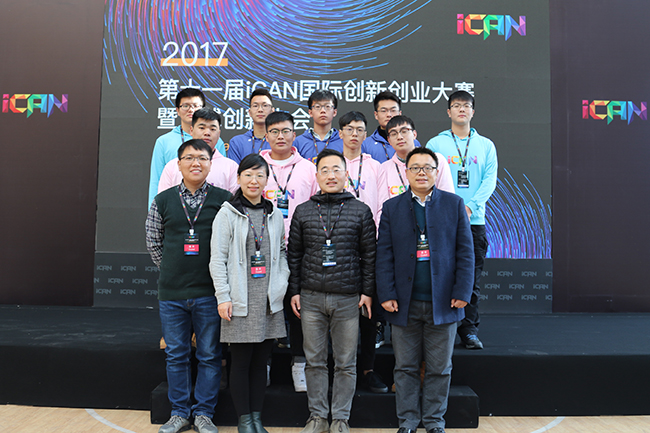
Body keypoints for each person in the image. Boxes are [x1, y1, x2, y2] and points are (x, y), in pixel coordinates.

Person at [376, 147, 474, 433]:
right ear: (406, 173)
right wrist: (387, 294)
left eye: (427, 168)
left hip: (444, 302)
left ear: (436, 172)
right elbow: (384, 255)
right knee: (404, 367)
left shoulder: (454, 204)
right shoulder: (392, 207)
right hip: (403, 303)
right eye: (415, 168)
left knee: (439, 368)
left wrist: (463, 292)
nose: (421, 172)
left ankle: (434, 422)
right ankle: (407, 421)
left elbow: (466, 253)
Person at [146, 139, 232, 433]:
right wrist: (172, 268)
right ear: (178, 164)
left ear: (210, 164)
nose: (196, 163)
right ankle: (179, 413)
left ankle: (204, 413)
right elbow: (153, 241)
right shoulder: (163, 200)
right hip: (172, 293)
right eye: (190, 158)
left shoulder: (224, 200)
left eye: (202, 158)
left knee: (209, 355)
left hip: (209, 293)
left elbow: (231, 243)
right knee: (176, 355)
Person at [288, 149, 376, 433]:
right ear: (316, 176)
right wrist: (294, 290)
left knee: (345, 362)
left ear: (346, 175)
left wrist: (367, 291)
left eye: (336, 169)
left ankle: (340, 418)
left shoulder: (360, 210)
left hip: (348, 297)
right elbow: (294, 255)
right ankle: (317, 417)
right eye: (324, 170)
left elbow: (369, 255)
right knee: (314, 362)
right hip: (311, 297)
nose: (330, 175)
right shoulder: (303, 210)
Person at [210, 154, 290, 433]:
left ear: (267, 180)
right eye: (248, 175)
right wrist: (223, 296)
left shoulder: (274, 214)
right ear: (239, 178)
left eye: (260, 175)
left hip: (268, 301)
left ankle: (257, 418)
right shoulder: (227, 213)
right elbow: (217, 259)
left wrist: (281, 282)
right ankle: (244, 420)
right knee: (241, 363)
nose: (254, 181)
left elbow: (282, 252)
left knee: (260, 364)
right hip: (240, 300)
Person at [426, 91, 498, 350]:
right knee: (440, 276)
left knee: (471, 279)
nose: (461, 110)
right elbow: (429, 179)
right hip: (443, 222)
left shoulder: (486, 145)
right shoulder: (436, 144)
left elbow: (489, 181)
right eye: (456, 106)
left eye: (466, 106)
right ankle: (438, 327)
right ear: (449, 112)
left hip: (474, 222)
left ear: (473, 111)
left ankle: (469, 330)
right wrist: (450, 210)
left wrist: (470, 207)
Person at [259, 111, 318, 393]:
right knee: (265, 307)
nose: (280, 136)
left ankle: (300, 365)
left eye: (285, 131)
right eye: (274, 131)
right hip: (262, 249)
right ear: (266, 135)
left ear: (294, 135)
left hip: (299, 248)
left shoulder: (308, 168)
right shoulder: (257, 165)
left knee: (298, 308)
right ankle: (264, 363)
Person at [338, 111, 387, 394]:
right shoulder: (330, 163)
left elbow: (381, 206)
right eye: (349, 129)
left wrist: (371, 236)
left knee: (368, 312)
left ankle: (367, 370)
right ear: (340, 133)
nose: (354, 134)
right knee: (336, 312)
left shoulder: (375, 167)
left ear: (366, 135)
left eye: (359, 129)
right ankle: (338, 371)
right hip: (337, 246)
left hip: (368, 245)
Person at [148, 88, 226, 206]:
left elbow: (221, 172)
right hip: (175, 205)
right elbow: (156, 180)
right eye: (185, 106)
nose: (191, 110)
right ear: (177, 110)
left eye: (196, 106)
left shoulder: (216, 141)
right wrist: (153, 210)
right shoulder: (163, 141)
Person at [158, 108, 238, 194]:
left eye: (212, 129)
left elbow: (235, 200)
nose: (207, 133)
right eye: (202, 128)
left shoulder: (231, 167)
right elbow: (163, 200)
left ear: (219, 134)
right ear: (191, 130)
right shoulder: (172, 166)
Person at [378, 115, 454, 205]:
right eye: (394, 134)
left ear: (414, 134)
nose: (399, 137)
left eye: (404, 131)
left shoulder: (436, 160)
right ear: (389, 140)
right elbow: (383, 206)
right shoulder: (384, 168)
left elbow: (448, 199)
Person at [361, 91, 420, 163]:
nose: (389, 114)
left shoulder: (412, 141)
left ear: (400, 113)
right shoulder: (365, 144)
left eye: (393, 110)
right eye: (384, 111)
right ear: (376, 115)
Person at [293, 90, 343, 163]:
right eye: (317, 106)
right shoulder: (298, 142)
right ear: (310, 112)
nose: (323, 110)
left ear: (334, 112)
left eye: (327, 106)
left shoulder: (343, 141)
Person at [227, 89, 275, 164]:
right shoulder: (237, 142)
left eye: (265, 105)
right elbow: (234, 170)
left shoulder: (279, 141)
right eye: (255, 106)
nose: (260, 110)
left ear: (272, 111)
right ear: (249, 112)